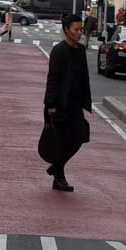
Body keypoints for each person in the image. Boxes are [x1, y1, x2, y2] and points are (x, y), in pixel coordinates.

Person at [43, 13, 92, 192]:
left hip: (75, 103)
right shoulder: (59, 51)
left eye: (81, 29)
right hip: (59, 104)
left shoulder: (80, 50)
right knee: (61, 140)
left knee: (80, 136)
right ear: (66, 30)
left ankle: (56, 167)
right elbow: (53, 79)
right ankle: (59, 176)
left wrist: (86, 101)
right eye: (76, 29)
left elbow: (84, 76)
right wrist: (51, 105)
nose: (80, 33)